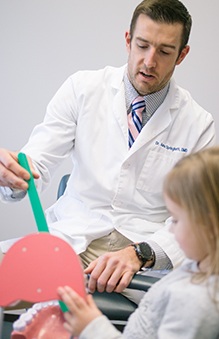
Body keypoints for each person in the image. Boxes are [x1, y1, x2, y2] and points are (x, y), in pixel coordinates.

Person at [0, 0, 216, 300]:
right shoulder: (83, 88)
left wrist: (142, 253)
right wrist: (12, 176)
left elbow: (200, 217)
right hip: (71, 236)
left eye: (165, 52)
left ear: (182, 55)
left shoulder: (199, 123)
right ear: (128, 40)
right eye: (142, 45)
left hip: (140, 254)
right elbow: (36, 164)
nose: (149, 61)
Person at [57, 146, 219, 339]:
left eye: (175, 220)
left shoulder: (194, 302)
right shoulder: (196, 269)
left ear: (210, 226)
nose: (171, 229)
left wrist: (92, 328)